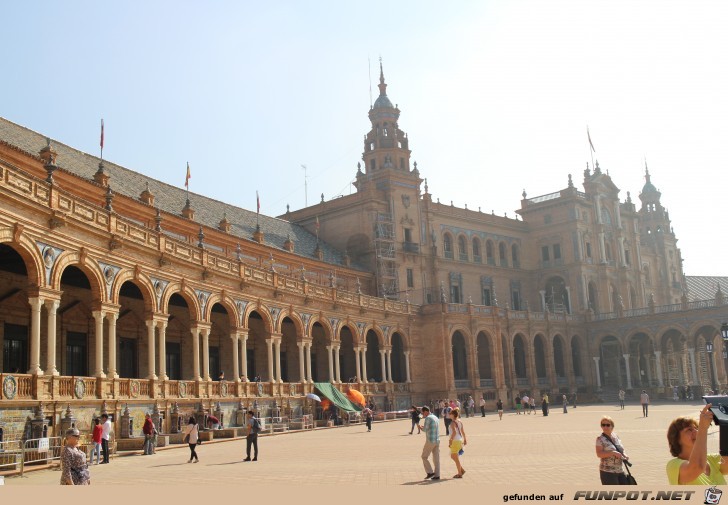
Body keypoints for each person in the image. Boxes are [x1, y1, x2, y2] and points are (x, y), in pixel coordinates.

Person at [666, 403, 728, 485]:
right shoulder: (673, 466)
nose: (696, 432)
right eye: (689, 430)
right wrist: (703, 428)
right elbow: (697, 467)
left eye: (696, 428)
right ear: (676, 439)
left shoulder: (711, 459)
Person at [595, 416, 630, 484]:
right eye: (603, 425)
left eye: (607, 425)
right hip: (607, 472)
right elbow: (599, 454)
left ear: (612, 426)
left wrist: (625, 455)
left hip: (620, 470)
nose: (605, 427)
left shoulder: (615, 436)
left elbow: (621, 449)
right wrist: (612, 452)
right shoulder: (600, 439)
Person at [417, 406, 440, 480]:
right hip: (437, 440)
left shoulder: (428, 418)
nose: (423, 414)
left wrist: (420, 427)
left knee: (424, 457)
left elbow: (424, 429)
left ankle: (430, 472)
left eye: (423, 412)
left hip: (430, 440)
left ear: (426, 411)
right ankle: (437, 475)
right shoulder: (435, 417)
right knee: (436, 459)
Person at [448, 408, 467, 478]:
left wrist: (450, 440)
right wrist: (465, 439)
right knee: (453, 456)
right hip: (459, 440)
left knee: (455, 457)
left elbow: (454, 432)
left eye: (450, 414)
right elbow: (463, 432)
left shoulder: (452, 423)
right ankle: (461, 470)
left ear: (453, 415)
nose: (449, 415)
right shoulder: (460, 421)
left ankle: (459, 473)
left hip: (455, 441)